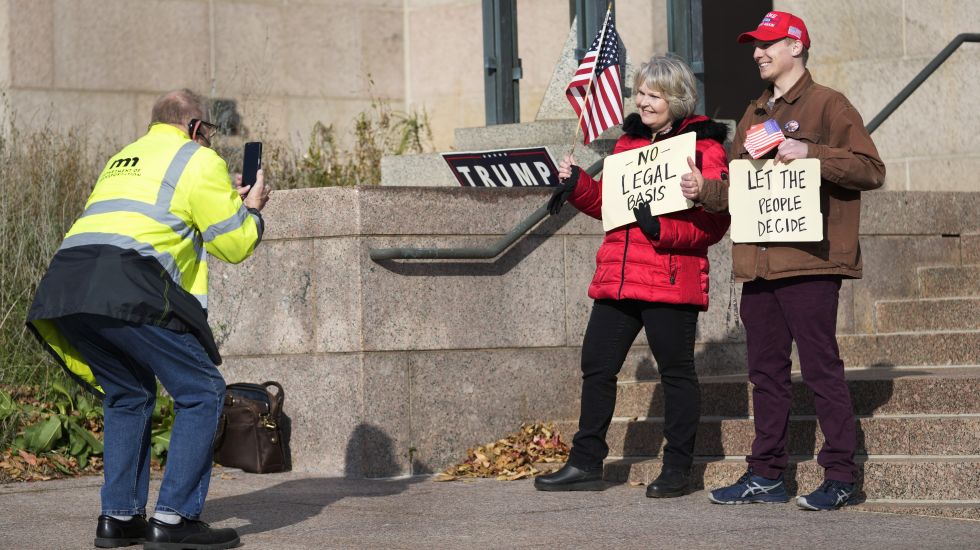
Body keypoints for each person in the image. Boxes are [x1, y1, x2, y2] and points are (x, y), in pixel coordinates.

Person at [26, 89, 269, 548]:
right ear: (195, 127)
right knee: (202, 391)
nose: (209, 140)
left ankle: (119, 518)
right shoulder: (198, 159)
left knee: (129, 393)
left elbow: (151, 219)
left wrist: (225, 201)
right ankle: (175, 520)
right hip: (129, 286)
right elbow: (234, 244)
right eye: (208, 131)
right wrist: (252, 210)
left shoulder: (123, 158)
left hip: (67, 288)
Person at [680, 11, 885, 510]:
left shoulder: (829, 104)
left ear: (796, 46)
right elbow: (739, 190)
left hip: (809, 261)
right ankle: (766, 474)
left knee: (820, 370)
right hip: (760, 265)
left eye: (767, 43)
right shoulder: (754, 114)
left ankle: (841, 476)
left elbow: (870, 169)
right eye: (755, 45)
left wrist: (811, 152)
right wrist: (705, 190)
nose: (757, 53)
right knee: (766, 375)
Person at [534, 56, 731, 497]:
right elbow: (611, 205)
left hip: (669, 276)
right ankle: (585, 463)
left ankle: (677, 469)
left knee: (675, 373)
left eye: (653, 95)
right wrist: (578, 185)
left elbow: (715, 224)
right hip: (619, 277)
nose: (642, 101)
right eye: (640, 92)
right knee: (596, 366)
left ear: (677, 99)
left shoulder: (705, 148)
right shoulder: (628, 143)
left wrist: (663, 230)